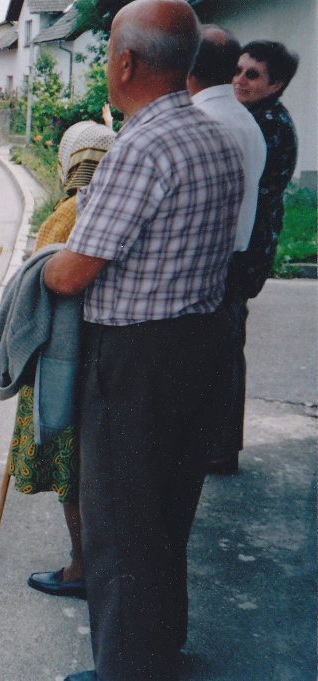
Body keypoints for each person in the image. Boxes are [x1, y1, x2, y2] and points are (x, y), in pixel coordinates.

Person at [41, 1, 244, 679]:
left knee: (122, 525)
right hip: (203, 344)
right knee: (167, 512)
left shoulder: (139, 146)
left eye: (107, 56)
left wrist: (41, 265)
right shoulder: (215, 134)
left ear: (125, 62)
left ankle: (127, 668)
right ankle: (161, 647)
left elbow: (72, 273)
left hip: (136, 361)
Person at [18, 120, 116, 603]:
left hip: (65, 360)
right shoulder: (115, 204)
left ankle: (81, 564)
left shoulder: (66, 213)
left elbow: (37, 283)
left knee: (72, 468)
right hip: (111, 353)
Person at [212, 40, 300, 473]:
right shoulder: (257, 117)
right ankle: (219, 445)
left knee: (225, 346)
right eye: (239, 70)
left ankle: (222, 449)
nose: (240, 80)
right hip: (249, 243)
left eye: (253, 75)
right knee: (225, 343)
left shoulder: (267, 124)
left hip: (248, 248)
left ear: (276, 85)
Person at [186, 27, 269, 476]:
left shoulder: (207, 121)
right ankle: (218, 448)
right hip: (234, 254)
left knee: (207, 363)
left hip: (209, 261)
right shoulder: (241, 118)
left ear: (188, 68)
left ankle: (208, 450)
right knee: (224, 356)